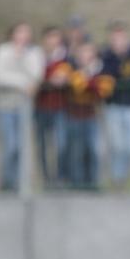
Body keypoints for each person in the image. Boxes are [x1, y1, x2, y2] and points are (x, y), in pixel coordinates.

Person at [0, 22, 44, 193]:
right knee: (10, 145)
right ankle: (7, 181)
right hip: (6, 105)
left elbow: (36, 76)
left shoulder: (34, 53)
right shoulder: (3, 51)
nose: (22, 36)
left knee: (24, 146)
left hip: (26, 107)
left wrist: (22, 59)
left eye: (26, 33)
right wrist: (22, 83)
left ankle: (22, 184)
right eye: (19, 32)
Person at [99, 21, 130, 189]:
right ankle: (117, 179)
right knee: (117, 145)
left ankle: (123, 176)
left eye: (122, 36)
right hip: (113, 106)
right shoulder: (106, 56)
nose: (119, 40)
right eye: (116, 37)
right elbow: (106, 76)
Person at [66, 41, 113, 191]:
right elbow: (78, 86)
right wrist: (91, 82)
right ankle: (78, 183)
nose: (86, 56)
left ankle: (93, 183)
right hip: (74, 115)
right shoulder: (72, 69)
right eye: (83, 52)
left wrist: (89, 82)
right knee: (77, 151)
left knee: (94, 150)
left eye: (89, 52)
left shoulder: (101, 70)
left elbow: (104, 90)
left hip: (93, 116)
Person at [35, 26, 71, 190]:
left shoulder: (66, 59)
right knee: (42, 145)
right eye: (49, 37)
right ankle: (47, 179)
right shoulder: (37, 57)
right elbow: (35, 77)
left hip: (60, 107)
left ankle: (60, 177)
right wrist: (49, 81)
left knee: (61, 144)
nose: (52, 41)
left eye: (55, 38)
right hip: (41, 108)